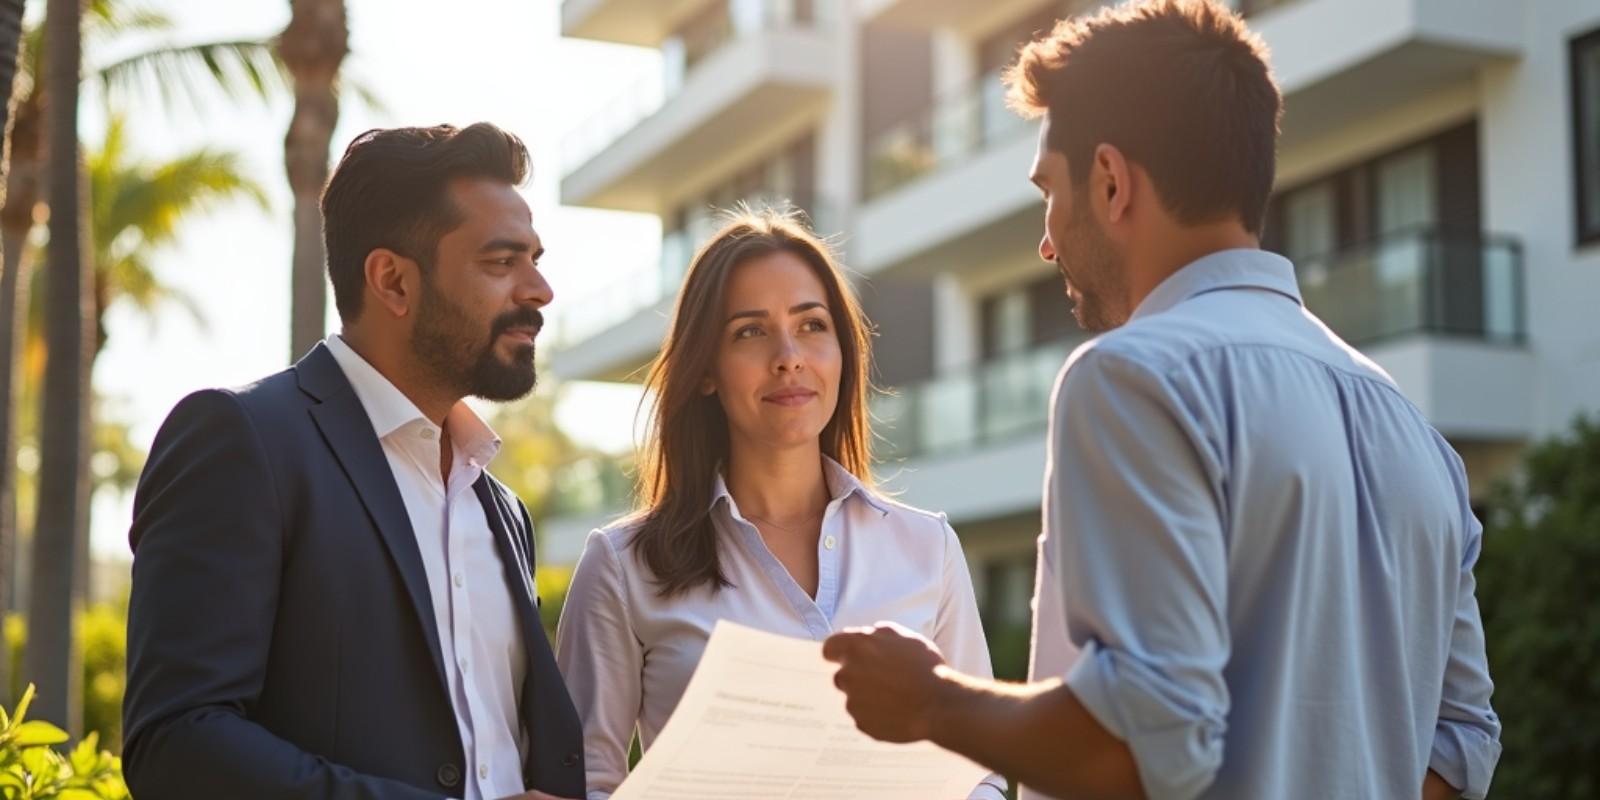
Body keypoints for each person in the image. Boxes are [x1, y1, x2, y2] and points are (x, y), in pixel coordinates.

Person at [822, 2, 1501, 798]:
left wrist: (931, 698)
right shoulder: (1417, 435)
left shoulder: (1129, 377)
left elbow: (1149, 746)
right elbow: (1461, 745)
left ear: (1110, 181)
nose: (1046, 241)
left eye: (1049, 191)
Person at [123, 123, 584, 800]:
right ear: (393, 281)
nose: (538, 289)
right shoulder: (242, 440)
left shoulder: (503, 509)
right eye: (500, 262)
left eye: (536, 258)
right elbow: (177, 742)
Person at [555, 209, 1007, 799]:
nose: (789, 355)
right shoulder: (622, 566)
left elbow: (980, 768)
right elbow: (582, 783)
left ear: (842, 355)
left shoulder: (928, 548)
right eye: (750, 331)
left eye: (812, 325)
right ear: (706, 371)